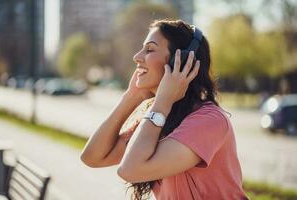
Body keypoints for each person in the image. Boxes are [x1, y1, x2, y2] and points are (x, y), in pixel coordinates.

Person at [81, 19, 248, 200]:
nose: (137, 56)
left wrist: (162, 102)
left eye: (150, 49)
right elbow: (92, 157)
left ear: (182, 61)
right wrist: (132, 97)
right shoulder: (159, 119)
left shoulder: (209, 121)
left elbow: (129, 170)